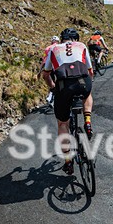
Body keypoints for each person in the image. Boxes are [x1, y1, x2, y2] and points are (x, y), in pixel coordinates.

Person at [41, 28, 94, 175]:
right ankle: (88, 122)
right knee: (87, 94)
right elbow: (90, 71)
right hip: (83, 82)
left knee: (62, 123)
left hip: (64, 87)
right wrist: (87, 86)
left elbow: (46, 75)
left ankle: (68, 161)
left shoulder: (54, 48)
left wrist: (53, 88)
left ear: (62, 38)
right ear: (75, 38)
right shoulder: (81, 45)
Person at [38, 35, 60, 103]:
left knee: (51, 82)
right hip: (58, 66)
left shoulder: (47, 48)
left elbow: (44, 60)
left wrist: (39, 71)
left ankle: (51, 96)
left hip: (49, 67)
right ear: (58, 41)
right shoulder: (60, 47)